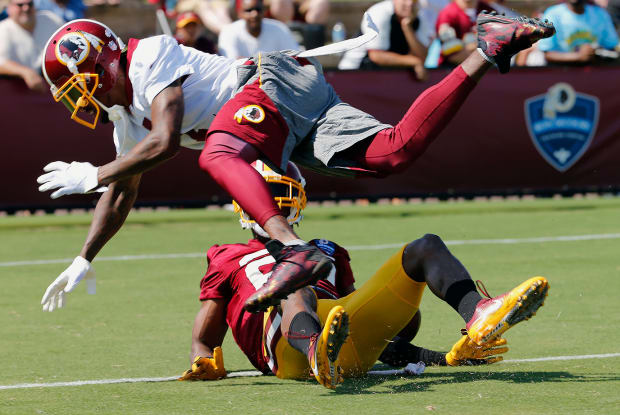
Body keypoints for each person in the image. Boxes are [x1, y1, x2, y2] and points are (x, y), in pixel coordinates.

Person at [36, 13, 554, 313]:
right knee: (394, 152)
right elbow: (124, 189)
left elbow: (167, 140)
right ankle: (487, 49)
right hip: (279, 114)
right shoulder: (126, 117)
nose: (76, 100)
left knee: (218, 152)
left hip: (267, 85)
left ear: (100, 62)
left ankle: (295, 251)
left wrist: (93, 173)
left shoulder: (146, 56)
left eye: (76, 87)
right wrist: (85, 257)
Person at [178, 160, 548, 389]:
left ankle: (477, 312)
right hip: (285, 352)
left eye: (280, 195)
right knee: (296, 282)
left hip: (340, 340)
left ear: (299, 199)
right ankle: (313, 352)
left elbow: (356, 329)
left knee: (425, 247)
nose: (272, 205)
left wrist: (441, 359)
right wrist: (202, 359)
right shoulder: (227, 256)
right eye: (264, 195)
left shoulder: (328, 249)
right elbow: (205, 339)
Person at [337, 0, 435, 81]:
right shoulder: (379, 12)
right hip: (353, 74)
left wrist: (407, 27)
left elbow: (422, 56)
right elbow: (376, 55)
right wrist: (414, 61)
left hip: (387, 78)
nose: (409, 3)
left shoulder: (420, 17)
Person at [0, 0, 62, 92]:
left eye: (30, 4)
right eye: (20, 5)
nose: (26, 8)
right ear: (9, 8)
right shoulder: (3, 29)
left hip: (56, 91)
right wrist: (25, 72)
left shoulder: (50, 19)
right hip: (19, 95)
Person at [538, 0, 619, 65]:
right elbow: (546, 54)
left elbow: (611, 47)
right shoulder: (553, 14)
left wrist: (598, 52)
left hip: (594, 73)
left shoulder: (600, 14)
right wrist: (578, 56)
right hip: (561, 75)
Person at [218, 0, 299, 58]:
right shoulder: (229, 31)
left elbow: (294, 57)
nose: (254, 14)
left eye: (258, 9)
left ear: (264, 11)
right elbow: (232, 62)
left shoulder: (280, 28)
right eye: (248, 10)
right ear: (239, 14)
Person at [435, 0, 497, 67]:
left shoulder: (489, 11)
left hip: (485, 68)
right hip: (453, 68)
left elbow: (499, 47)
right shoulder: (447, 14)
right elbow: (453, 55)